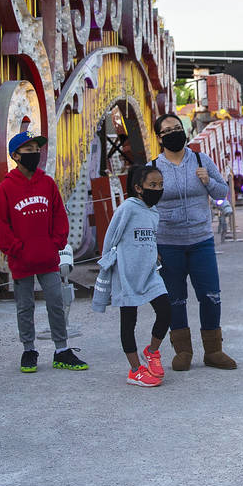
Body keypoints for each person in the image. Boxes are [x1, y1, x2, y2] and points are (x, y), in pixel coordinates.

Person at [0, 132, 88, 373]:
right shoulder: (6, 186)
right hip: (21, 260)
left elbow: (59, 216)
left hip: (47, 258)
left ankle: (61, 350)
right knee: (24, 306)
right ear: (15, 156)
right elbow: (2, 224)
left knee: (56, 303)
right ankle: (28, 349)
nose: (34, 153)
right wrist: (16, 249)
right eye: (28, 150)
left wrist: (56, 242)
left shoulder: (47, 183)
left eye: (37, 148)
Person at [150, 113, 235, 370]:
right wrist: (151, 246)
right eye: (168, 130)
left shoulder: (201, 160)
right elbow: (144, 208)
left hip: (201, 241)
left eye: (178, 128)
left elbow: (223, 192)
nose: (175, 133)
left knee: (211, 295)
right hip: (168, 243)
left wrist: (208, 181)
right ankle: (183, 351)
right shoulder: (153, 168)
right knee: (175, 298)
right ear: (160, 137)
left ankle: (213, 350)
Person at [92, 165, 171, 387]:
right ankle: (135, 370)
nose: (158, 189)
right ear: (138, 188)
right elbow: (111, 237)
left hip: (150, 274)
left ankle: (152, 351)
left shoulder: (154, 212)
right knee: (129, 322)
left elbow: (151, 239)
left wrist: (155, 254)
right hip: (126, 275)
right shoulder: (127, 208)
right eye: (152, 185)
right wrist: (107, 264)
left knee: (166, 312)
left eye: (161, 185)